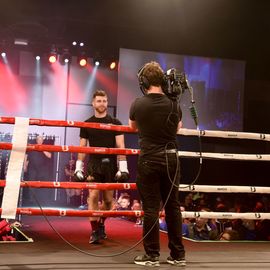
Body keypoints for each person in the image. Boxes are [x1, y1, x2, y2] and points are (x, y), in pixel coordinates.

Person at [129, 61, 185, 267]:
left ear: (143, 81)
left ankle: (152, 255)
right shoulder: (173, 104)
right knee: (173, 207)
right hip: (171, 159)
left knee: (151, 208)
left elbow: (132, 125)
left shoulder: (138, 103)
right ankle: (178, 255)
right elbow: (178, 127)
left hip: (149, 159)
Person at [75, 90, 129, 244]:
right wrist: (79, 168)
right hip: (94, 163)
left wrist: (123, 167)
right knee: (92, 196)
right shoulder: (86, 124)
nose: (102, 104)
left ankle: (100, 225)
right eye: (99, 101)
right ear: (93, 103)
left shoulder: (116, 123)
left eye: (104, 101)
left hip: (110, 164)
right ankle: (94, 231)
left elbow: (121, 146)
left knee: (107, 200)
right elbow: (82, 148)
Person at [24, 135, 53, 206]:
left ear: (43, 141)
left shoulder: (46, 147)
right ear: (36, 140)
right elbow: (26, 156)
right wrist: (25, 166)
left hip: (42, 169)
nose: (40, 141)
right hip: (32, 168)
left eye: (41, 140)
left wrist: (42, 149)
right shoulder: (32, 147)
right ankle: (31, 200)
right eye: (39, 139)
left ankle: (43, 199)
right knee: (31, 183)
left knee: (42, 184)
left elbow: (50, 156)